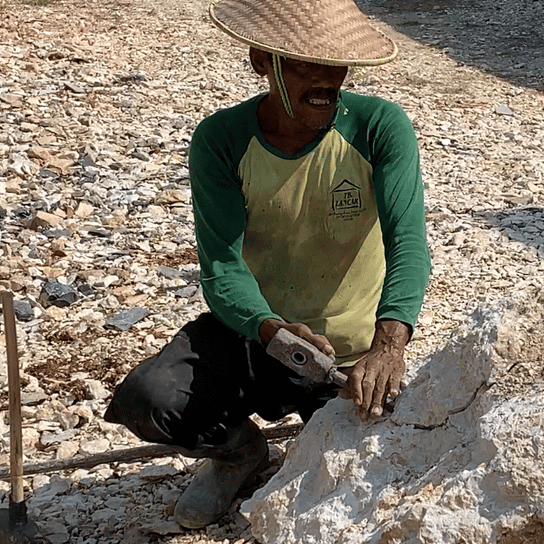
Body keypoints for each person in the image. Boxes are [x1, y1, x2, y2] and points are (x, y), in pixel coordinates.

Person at [101, 0, 430, 529]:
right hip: (256, 336)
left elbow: (409, 242)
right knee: (148, 400)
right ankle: (239, 453)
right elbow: (223, 268)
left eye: (336, 67)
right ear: (262, 61)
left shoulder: (378, 128)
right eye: (304, 66)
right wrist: (271, 329)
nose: (325, 82)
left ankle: (313, 433)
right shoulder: (223, 140)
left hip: (346, 359)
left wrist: (390, 344)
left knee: (368, 482)